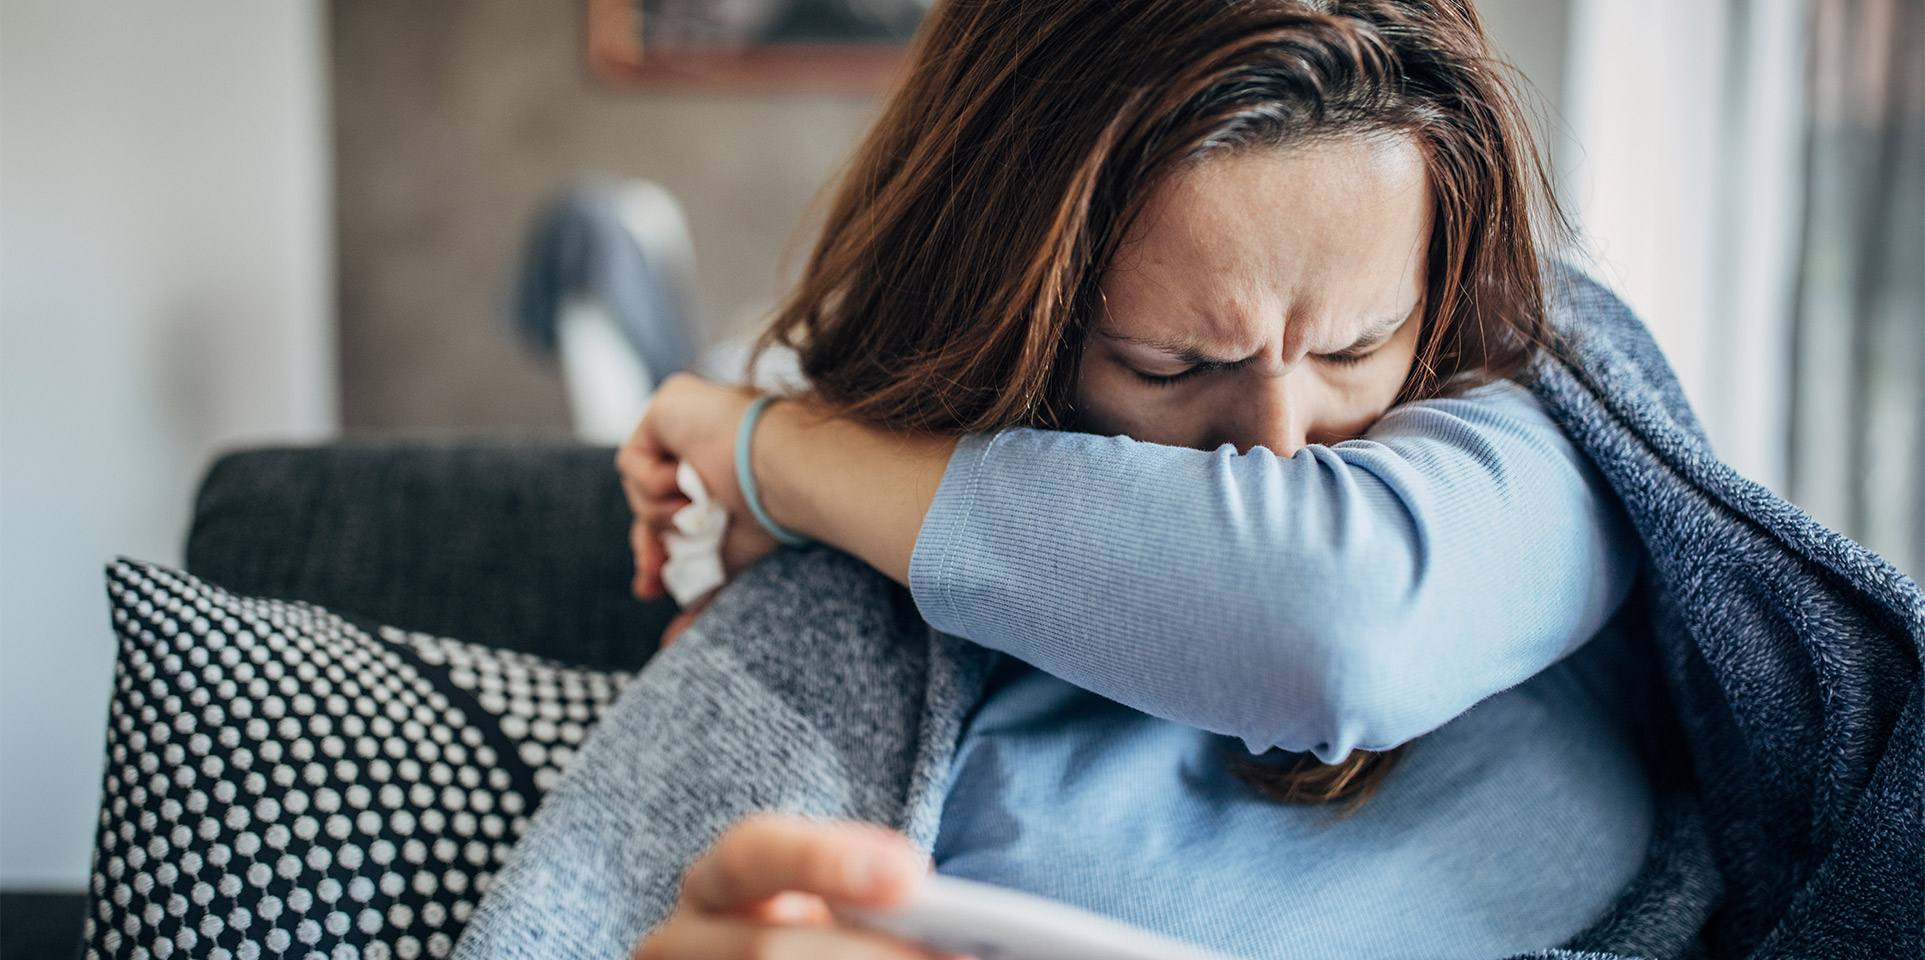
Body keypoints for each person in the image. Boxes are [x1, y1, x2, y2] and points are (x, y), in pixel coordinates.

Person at [615, 2, 1656, 957]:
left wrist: (776, 454)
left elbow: (1332, 622)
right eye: (1171, 366)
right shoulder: (857, 597)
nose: (1282, 447)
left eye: (1354, 348)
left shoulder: (1539, 428)